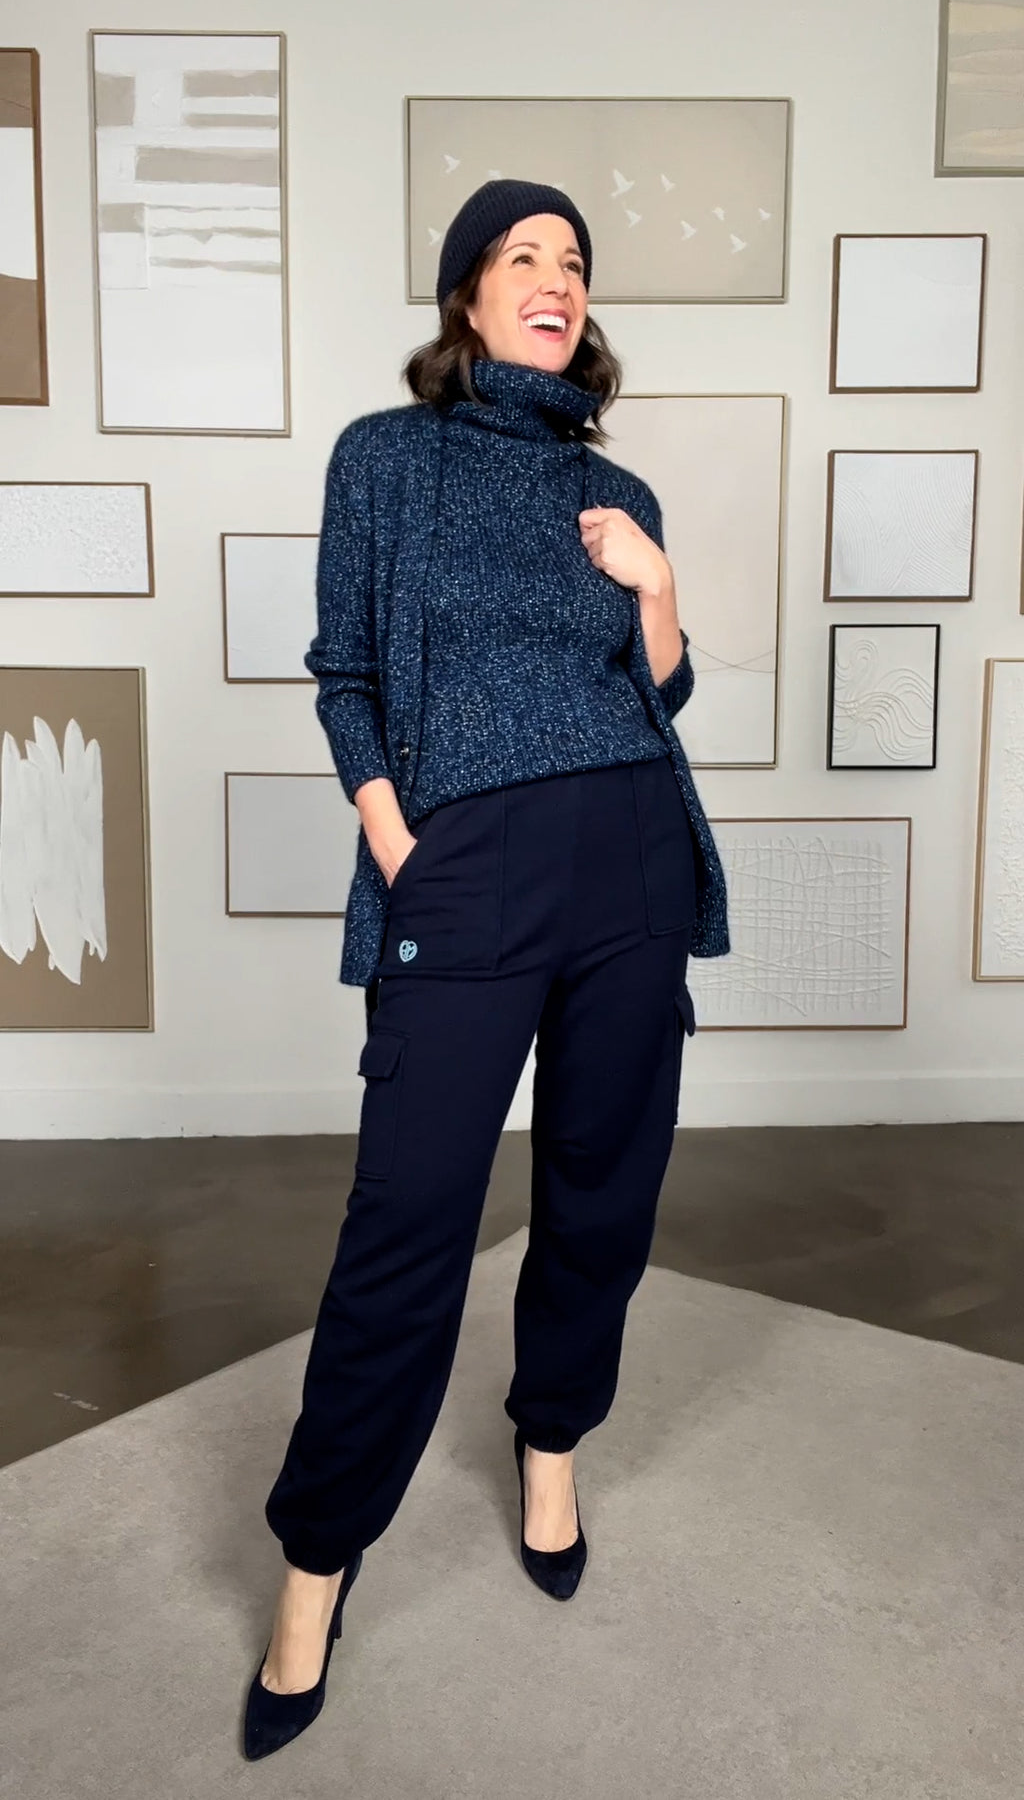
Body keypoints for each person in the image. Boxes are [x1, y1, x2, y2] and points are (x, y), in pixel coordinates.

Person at [243, 177, 730, 1761]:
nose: (555, 277)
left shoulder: (619, 488)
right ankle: (317, 1566)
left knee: (603, 1190)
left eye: (574, 261)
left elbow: (657, 693)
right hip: (463, 869)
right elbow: (346, 674)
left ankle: (551, 1446)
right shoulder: (385, 460)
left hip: (629, 856)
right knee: (407, 1225)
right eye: (524, 256)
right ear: (467, 294)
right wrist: (400, 842)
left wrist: (658, 590)